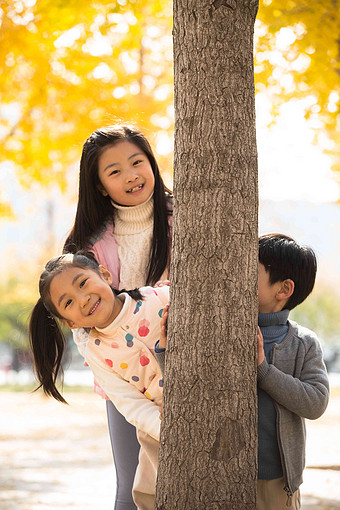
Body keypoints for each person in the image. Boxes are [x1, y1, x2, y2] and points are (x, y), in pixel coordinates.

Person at [63, 124, 173, 509]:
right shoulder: (89, 243)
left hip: (187, 363)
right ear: (99, 186)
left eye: (137, 162)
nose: (131, 176)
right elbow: (79, 317)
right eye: (114, 171)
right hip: (126, 375)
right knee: (133, 486)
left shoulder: (182, 218)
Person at [29, 252, 169, 510]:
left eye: (83, 283)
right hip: (157, 420)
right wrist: (165, 428)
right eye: (68, 302)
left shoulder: (157, 297)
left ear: (104, 275)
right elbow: (128, 402)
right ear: (69, 322)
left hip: (201, 393)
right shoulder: (96, 350)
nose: (83, 299)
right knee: (148, 493)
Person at [257, 233, 329, 509]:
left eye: (251, 271)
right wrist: (166, 351)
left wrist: (264, 371)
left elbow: (316, 402)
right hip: (223, 471)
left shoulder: (303, 343)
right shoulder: (226, 331)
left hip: (277, 481)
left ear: (283, 289)